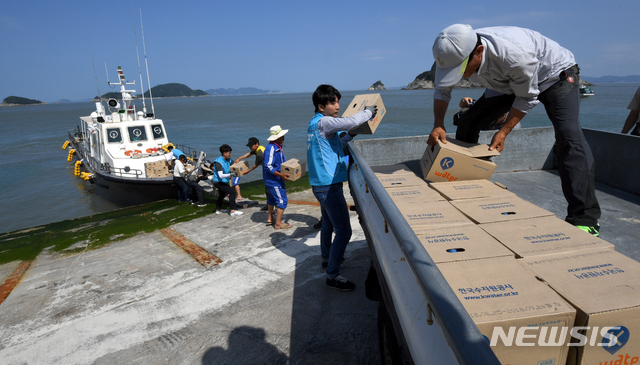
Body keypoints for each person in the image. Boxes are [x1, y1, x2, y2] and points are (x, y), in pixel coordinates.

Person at [428, 24, 601, 236]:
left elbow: (527, 96)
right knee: (468, 122)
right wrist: (438, 123)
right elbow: (443, 90)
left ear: (479, 52)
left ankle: (585, 218)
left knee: (568, 136)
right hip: (505, 82)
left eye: (462, 69)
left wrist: (503, 132)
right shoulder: (452, 52)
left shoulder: (515, 55)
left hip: (555, 76)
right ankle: (466, 184)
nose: (461, 75)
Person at [307, 84, 377, 291]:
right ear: (321, 106)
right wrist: (368, 112)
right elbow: (351, 120)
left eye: (337, 101)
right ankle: (333, 275)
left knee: (328, 225)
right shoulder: (325, 122)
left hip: (321, 184)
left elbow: (339, 144)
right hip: (329, 186)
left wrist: (352, 135)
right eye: (331, 102)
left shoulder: (315, 124)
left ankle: (327, 259)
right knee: (344, 231)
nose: (337, 106)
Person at [263, 125, 290, 229]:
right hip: (274, 181)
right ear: (277, 137)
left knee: (272, 199)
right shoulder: (271, 148)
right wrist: (281, 175)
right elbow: (268, 166)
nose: (283, 137)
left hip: (273, 180)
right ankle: (278, 223)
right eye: (282, 135)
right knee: (282, 201)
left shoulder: (277, 147)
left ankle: (270, 218)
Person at [210, 144, 243, 216]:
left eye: (230, 152)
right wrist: (231, 175)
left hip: (224, 181)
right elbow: (221, 175)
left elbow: (233, 167)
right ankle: (233, 211)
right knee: (232, 192)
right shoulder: (218, 162)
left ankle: (218, 210)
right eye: (229, 153)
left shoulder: (229, 160)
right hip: (218, 181)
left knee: (222, 195)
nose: (230, 154)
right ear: (224, 153)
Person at [234, 137, 267, 203]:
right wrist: (239, 158)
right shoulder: (258, 149)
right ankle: (269, 205)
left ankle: (272, 206)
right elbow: (249, 154)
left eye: (251, 146)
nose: (250, 147)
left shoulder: (260, 152)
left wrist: (248, 171)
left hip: (268, 169)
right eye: (249, 146)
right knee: (267, 187)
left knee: (268, 188)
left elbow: (256, 165)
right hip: (266, 167)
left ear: (257, 144)